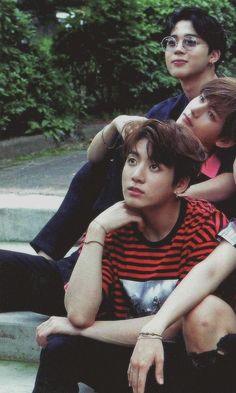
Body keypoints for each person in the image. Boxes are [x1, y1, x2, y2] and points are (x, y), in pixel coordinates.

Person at [0, 7, 231, 317]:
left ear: (213, 54)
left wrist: (171, 195)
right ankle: (61, 255)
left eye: (190, 42)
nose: (177, 49)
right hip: (128, 233)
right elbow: (96, 156)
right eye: (171, 41)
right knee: (105, 163)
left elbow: (231, 181)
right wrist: (116, 124)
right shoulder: (165, 111)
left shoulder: (229, 105)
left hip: (183, 235)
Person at [32, 119, 230, 393]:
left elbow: (174, 326)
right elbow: (78, 313)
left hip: (176, 362)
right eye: (133, 161)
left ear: (181, 183)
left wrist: (81, 330)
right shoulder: (114, 225)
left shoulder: (200, 223)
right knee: (59, 347)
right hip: (129, 354)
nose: (136, 175)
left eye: (155, 167)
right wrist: (96, 231)